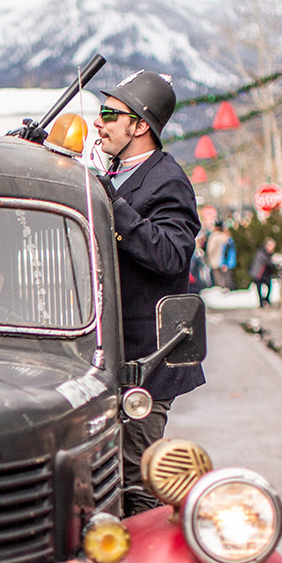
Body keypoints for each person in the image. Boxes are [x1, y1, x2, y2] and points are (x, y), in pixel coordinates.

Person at [90, 69, 205, 514]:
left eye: (109, 114)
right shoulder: (114, 172)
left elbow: (172, 255)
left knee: (137, 480)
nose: (98, 123)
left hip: (145, 362)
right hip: (104, 355)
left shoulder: (167, 180)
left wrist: (112, 205)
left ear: (141, 126)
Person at [249, 238, 276, 306]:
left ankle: (265, 299)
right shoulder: (262, 253)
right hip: (259, 273)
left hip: (264, 273)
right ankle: (261, 301)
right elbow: (267, 262)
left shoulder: (265, 253)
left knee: (268, 286)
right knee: (260, 287)